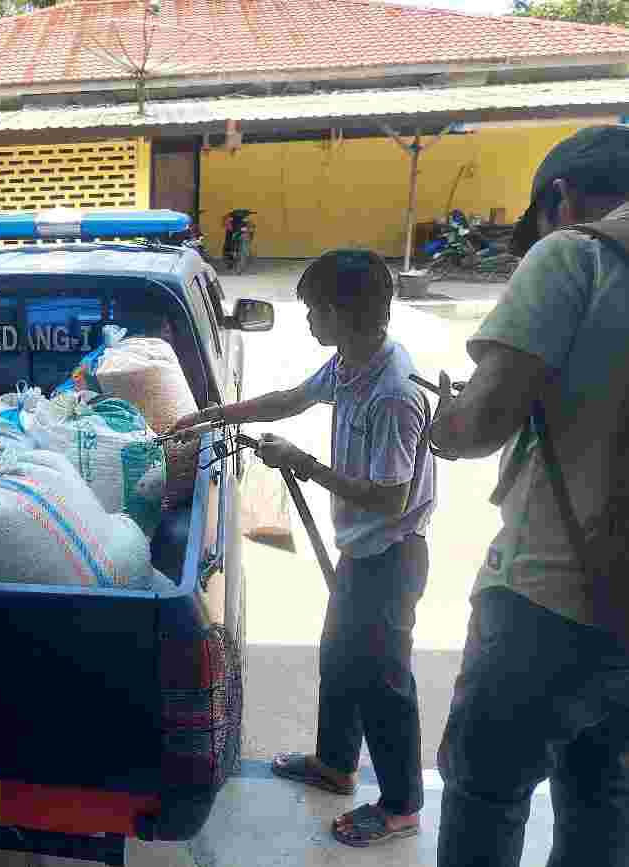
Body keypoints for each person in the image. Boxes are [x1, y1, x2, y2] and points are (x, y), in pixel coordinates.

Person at [171, 249, 436, 846]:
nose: (309, 320)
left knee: (382, 680)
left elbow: (391, 498)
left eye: (315, 309)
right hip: (363, 551)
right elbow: (292, 399)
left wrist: (303, 463)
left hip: (391, 556)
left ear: (342, 313)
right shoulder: (350, 363)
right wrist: (216, 415)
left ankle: (401, 807)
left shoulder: (393, 392)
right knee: (339, 660)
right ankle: (335, 765)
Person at [429, 125, 629, 867]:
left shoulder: (576, 256)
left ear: (561, 199)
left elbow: (481, 423)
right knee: (603, 798)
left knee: (486, 795)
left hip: (550, 603)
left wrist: (448, 422)